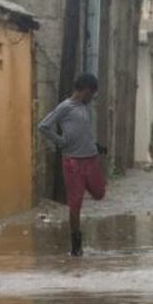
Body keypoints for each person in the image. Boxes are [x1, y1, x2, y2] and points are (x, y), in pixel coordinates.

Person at [38, 74, 106, 256]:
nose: (92, 97)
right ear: (85, 90)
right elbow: (43, 126)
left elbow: (84, 131)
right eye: (92, 93)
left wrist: (95, 146)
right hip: (73, 161)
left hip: (91, 159)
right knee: (75, 205)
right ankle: (76, 246)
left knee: (100, 193)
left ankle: (82, 187)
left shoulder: (85, 107)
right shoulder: (65, 107)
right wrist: (61, 142)